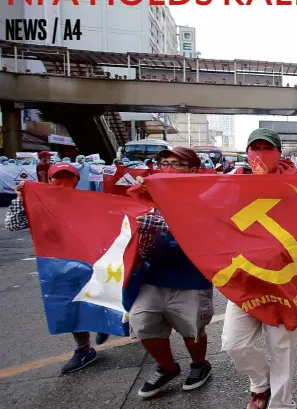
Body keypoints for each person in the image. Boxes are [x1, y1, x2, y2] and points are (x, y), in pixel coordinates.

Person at [221, 127, 297, 409]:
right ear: (246, 153)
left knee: (282, 349)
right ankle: (261, 384)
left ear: (279, 153)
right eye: (254, 148)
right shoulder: (231, 183)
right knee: (234, 344)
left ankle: (282, 404)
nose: (260, 154)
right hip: (244, 280)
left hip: (284, 282)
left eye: (267, 149)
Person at [5, 163, 111, 373]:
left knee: (102, 296)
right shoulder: (39, 202)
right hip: (57, 263)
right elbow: (14, 225)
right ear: (49, 180)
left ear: (76, 180)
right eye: (57, 178)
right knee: (68, 306)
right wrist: (20, 198)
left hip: (89, 260)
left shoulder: (87, 201)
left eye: (68, 178)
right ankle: (84, 349)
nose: (62, 183)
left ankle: (106, 323)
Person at [128, 147, 214, 398]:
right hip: (152, 277)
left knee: (192, 328)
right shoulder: (144, 195)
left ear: (194, 170)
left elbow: (202, 226)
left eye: (177, 164)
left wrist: (152, 223)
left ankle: (199, 364)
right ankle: (167, 367)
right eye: (164, 163)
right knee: (143, 322)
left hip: (191, 277)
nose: (168, 168)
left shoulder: (206, 196)